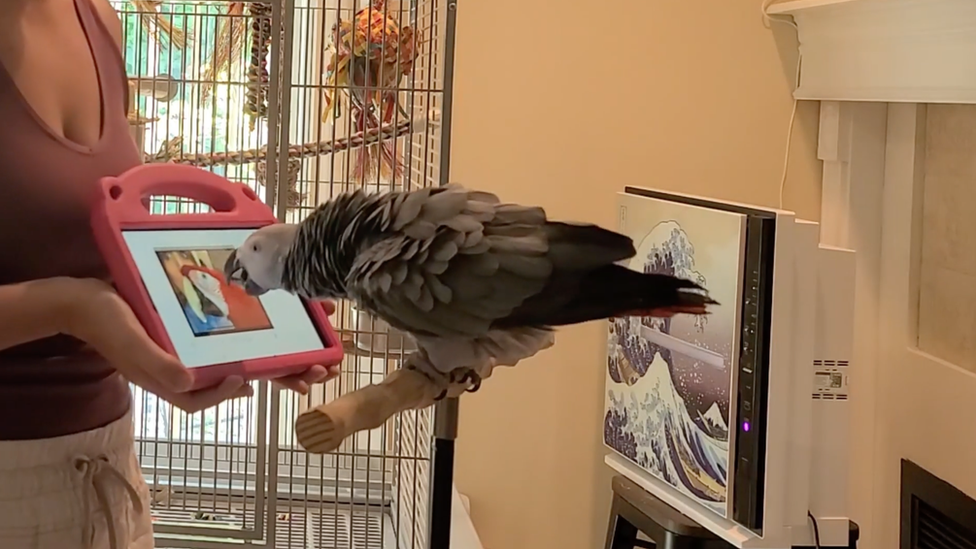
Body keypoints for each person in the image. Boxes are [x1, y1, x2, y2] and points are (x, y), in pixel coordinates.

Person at [0, 0, 338, 547]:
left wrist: (235, 318)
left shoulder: (96, 19)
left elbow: (93, 252)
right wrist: (73, 308)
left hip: (106, 473)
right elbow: (79, 295)